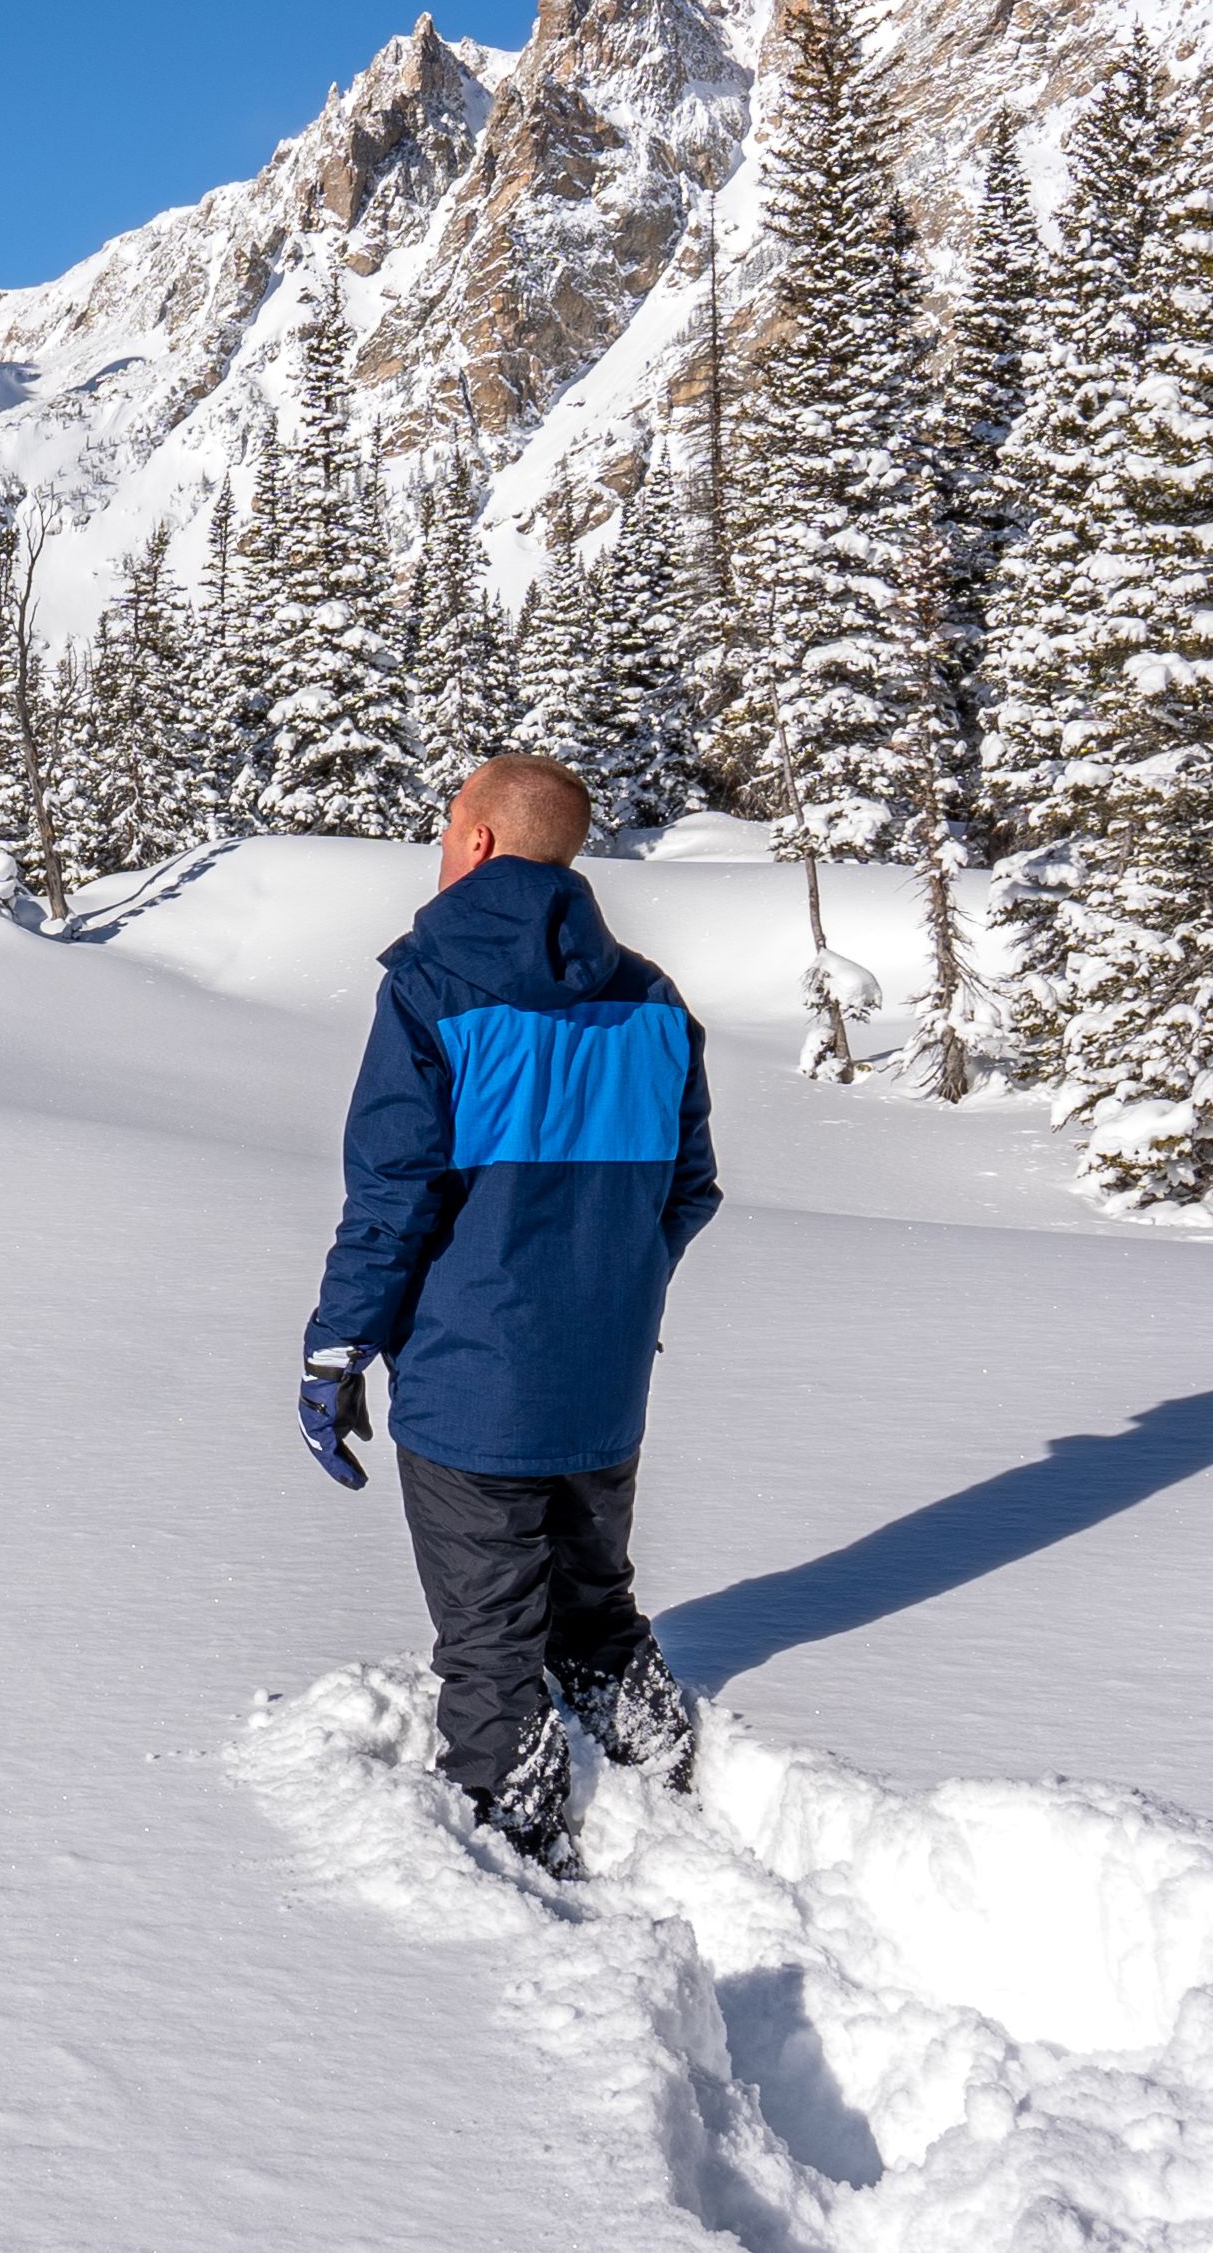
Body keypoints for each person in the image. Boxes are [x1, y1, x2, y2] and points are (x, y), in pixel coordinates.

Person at [295, 750, 717, 1876]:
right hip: (605, 1378)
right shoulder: (654, 1000)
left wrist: (337, 1351)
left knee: (489, 1643)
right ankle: (664, 1780)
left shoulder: (434, 989)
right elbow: (689, 1188)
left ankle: (520, 1854)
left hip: (473, 1380)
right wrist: (610, 1288)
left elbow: (393, 1197)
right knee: (595, 1603)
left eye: (446, 829)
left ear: (477, 842)